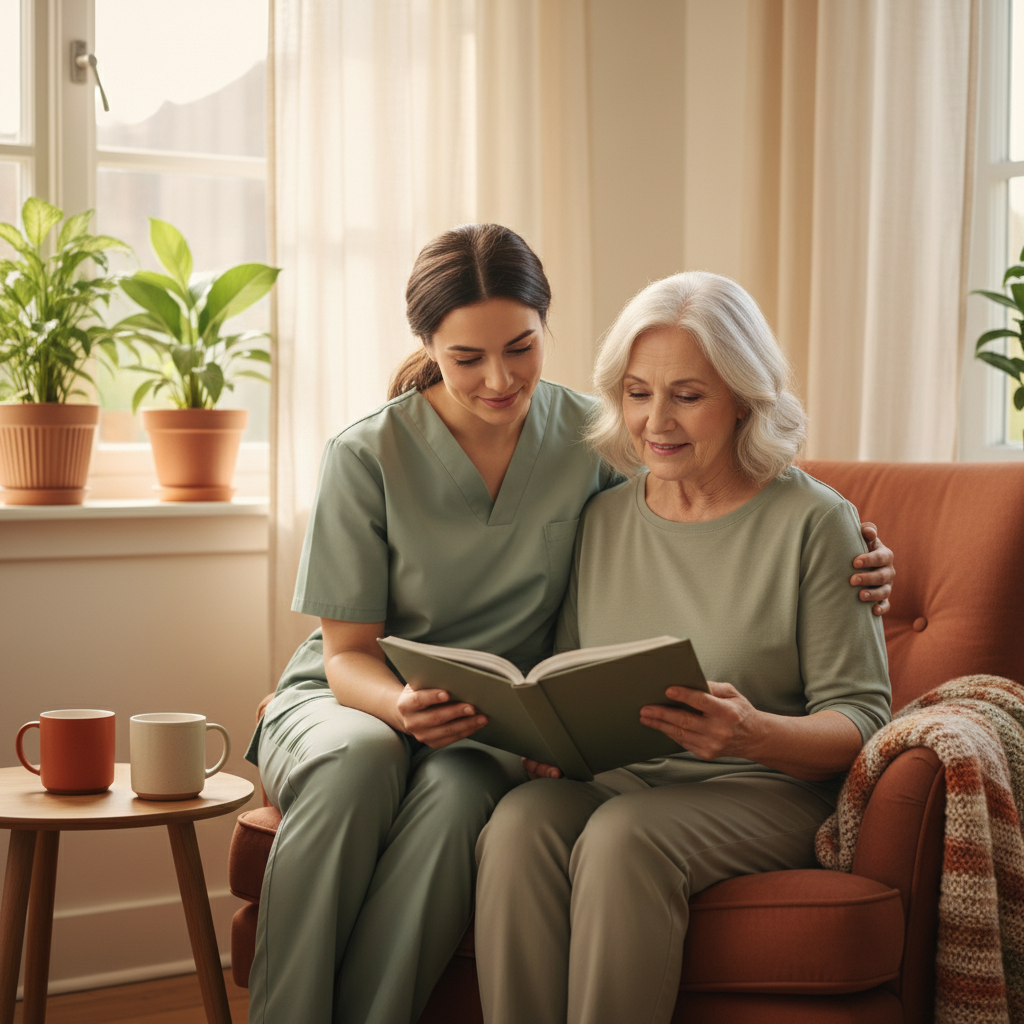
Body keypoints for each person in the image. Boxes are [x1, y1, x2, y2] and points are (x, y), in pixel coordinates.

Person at [245, 228, 894, 1024]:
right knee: (445, 795)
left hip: (683, 766)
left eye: (520, 347)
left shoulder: (642, 464)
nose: (498, 378)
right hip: (400, 705)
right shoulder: (570, 491)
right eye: (639, 391)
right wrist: (529, 737)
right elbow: (364, 651)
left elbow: (753, 506)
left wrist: (856, 547)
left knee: (556, 824)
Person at [473, 270, 893, 1024]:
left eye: (687, 396)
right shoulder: (601, 519)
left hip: (769, 788)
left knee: (623, 839)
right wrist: (548, 740)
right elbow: (566, 672)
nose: (655, 421)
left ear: (743, 397)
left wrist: (752, 731)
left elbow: (863, 719)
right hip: (623, 777)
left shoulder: (816, 524)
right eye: (637, 392)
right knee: (520, 821)